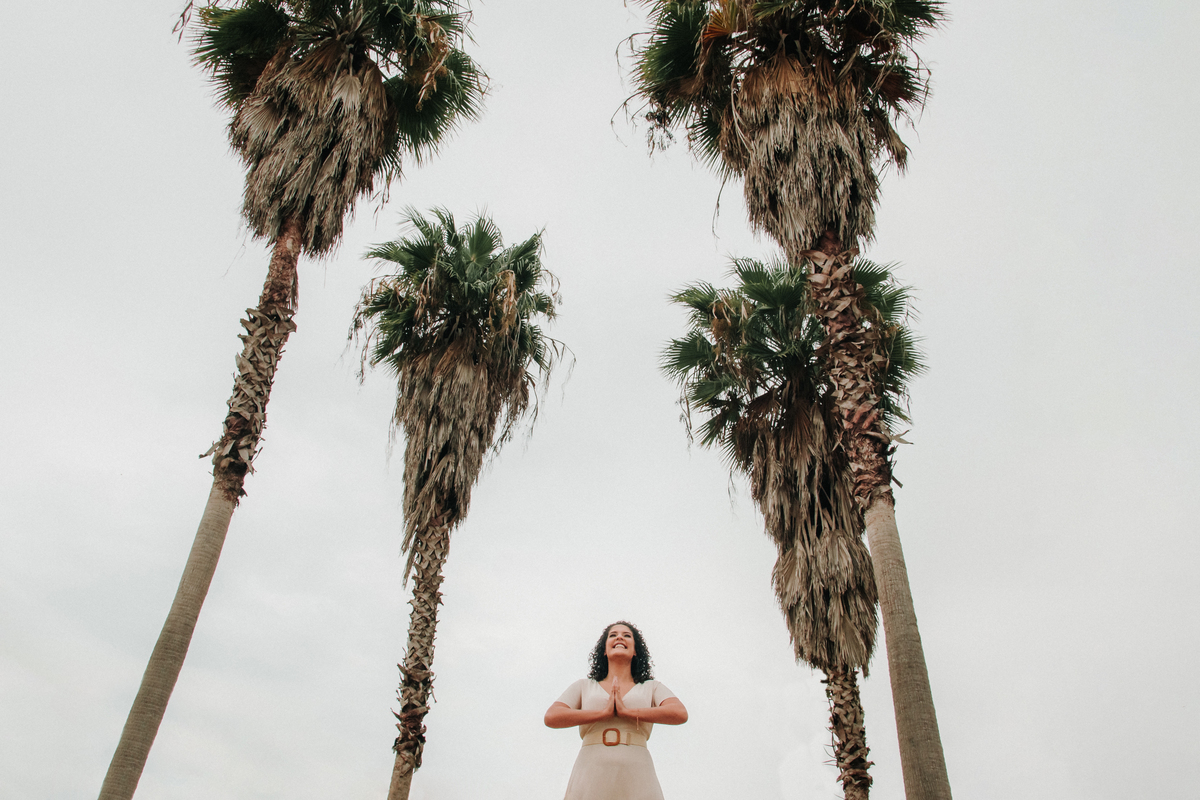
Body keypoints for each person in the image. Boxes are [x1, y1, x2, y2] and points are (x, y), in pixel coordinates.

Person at [545, 621, 688, 800]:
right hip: (591, 766)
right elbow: (552, 716)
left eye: (627, 635)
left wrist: (627, 711)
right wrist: (603, 713)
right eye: (613, 635)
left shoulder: (651, 687)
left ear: (635, 650)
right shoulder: (584, 686)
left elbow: (679, 713)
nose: (619, 637)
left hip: (637, 766)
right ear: (604, 650)